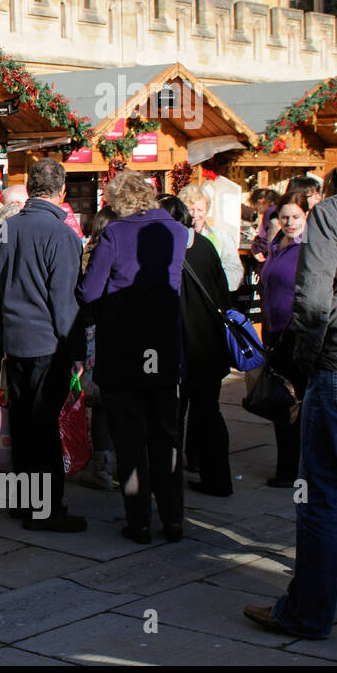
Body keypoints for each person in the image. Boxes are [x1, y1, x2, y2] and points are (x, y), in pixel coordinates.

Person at [245, 166, 337, 638]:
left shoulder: (333, 212)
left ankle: (308, 612)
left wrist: (309, 361)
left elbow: (312, 303)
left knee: (323, 496)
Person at [79, 172, 189, 544]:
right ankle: (173, 517)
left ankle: (139, 520)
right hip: (162, 345)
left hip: (124, 346)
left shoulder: (116, 234)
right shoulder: (177, 231)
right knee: (165, 434)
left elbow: (90, 292)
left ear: (119, 201)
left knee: (129, 437)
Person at [0, 159, 86, 531]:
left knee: (24, 425)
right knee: (44, 427)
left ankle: (25, 502)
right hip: (47, 343)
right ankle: (45, 510)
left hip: (15, 340)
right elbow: (65, 301)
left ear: (30, 189)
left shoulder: (6, 228)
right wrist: (76, 351)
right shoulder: (60, 234)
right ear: (61, 191)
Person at [159, 195, 234, 498]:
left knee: (174, 417)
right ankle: (217, 478)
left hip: (179, 349)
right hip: (210, 347)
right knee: (209, 414)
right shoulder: (205, 246)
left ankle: (170, 482)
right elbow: (222, 294)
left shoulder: (166, 250)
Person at [259, 191, 310, 488]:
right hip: (274, 331)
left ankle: (293, 471)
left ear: (306, 217)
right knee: (281, 401)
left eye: (295, 217)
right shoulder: (278, 243)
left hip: (294, 334)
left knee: (292, 403)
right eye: (284, 217)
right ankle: (287, 466)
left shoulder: (309, 247)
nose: (289, 222)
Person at [74, 206, 118, 491]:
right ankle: (112, 464)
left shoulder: (86, 256)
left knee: (97, 404)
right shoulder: (121, 254)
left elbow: (82, 296)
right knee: (109, 405)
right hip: (110, 337)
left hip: (90, 335)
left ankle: (101, 466)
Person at [178, 184, 243, 291]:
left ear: (206, 211)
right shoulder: (176, 238)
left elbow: (235, 272)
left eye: (200, 210)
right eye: (190, 209)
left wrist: (211, 282)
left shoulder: (221, 237)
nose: (195, 215)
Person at [249, 187, 281, 262]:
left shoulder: (269, 212)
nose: (259, 212)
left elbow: (265, 238)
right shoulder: (278, 209)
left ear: (261, 202)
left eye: (256, 208)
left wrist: (256, 248)